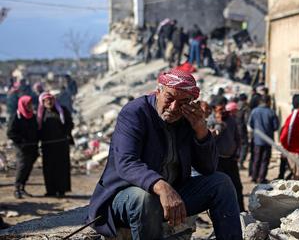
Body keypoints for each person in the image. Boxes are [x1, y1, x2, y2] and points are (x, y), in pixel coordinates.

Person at [87, 69, 242, 240]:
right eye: (169, 98)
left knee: (222, 183)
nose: (174, 107)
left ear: (191, 102)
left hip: (171, 195)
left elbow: (208, 167)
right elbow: (126, 162)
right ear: (158, 91)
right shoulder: (135, 113)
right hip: (125, 198)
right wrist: (161, 187)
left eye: (183, 102)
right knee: (144, 198)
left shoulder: (187, 119)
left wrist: (201, 132)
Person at [208, 98, 244, 212]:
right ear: (214, 109)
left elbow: (237, 137)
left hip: (231, 159)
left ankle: (241, 210)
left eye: (224, 107)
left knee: (237, 186)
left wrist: (238, 153)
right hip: (217, 161)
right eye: (220, 109)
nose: (223, 111)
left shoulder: (231, 119)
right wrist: (219, 123)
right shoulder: (210, 121)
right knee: (222, 188)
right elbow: (210, 139)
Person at [38, 92, 74, 197]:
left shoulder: (62, 110)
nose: (49, 102)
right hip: (47, 146)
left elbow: (70, 124)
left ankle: (61, 190)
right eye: (46, 100)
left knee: (61, 168)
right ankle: (51, 190)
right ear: (42, 102)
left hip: (61, 145)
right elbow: (38, 129)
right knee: (49, 168)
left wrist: (65, 134)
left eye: (51, 99)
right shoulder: (41, 113)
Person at [7, 95, 39, 199]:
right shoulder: (16, 117)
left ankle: (23, 188)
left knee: (28, 168)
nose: (31, 106)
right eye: (28, 104)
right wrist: (22, 142)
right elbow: (10, 133)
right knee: (22, 167)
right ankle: (17, 188)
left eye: (31, 104)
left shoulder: (32, 116)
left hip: (32, 148)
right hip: (22, 148)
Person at [248, 95, 279, 183]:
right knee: (265, 160)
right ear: (269, 102)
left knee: (256, 158)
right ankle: (261, 178)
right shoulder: (271, 112)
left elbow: (251, 124)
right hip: (267, 140)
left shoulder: (254, 111)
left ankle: (254, 176)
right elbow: (276, 126)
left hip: (257, 140)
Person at [237, 94, 250, 170]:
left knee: (238, 145)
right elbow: (247, 121)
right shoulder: (245, 108)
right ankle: (240, 162)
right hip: (242, 129)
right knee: (245, 145)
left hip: (235, 129)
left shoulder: (235, 106)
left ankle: (237, 161)